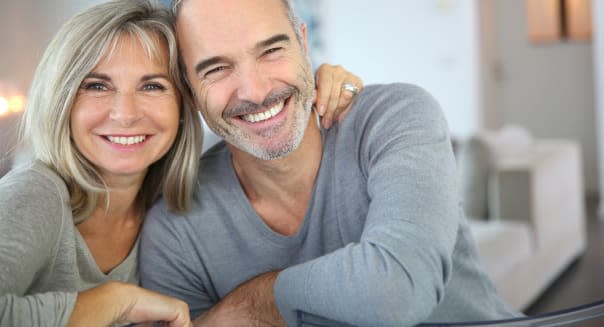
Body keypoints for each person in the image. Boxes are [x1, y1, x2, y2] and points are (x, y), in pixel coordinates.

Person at [139, 0, 521, 326]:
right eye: (216, 69)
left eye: (271, 50)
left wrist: (255, 302)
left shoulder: (394, 118)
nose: (255, 91)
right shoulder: (176, 228)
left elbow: (396, 292)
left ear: (303, 45)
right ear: (189, 92)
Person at [0, 0, 363, 326]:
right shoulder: (36, 195)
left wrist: (318, 88)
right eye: (97, 86)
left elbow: (252, 115)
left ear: (185, 101)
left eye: (152, 86)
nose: (126, 114)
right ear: (62, 97)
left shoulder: (175, 203)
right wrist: (115, 300)